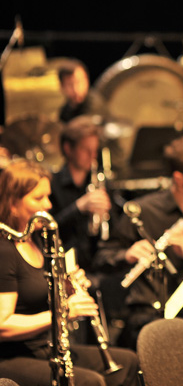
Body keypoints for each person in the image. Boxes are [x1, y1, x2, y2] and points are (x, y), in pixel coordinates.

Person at [0, 159, 139, 386]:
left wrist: (67, 287)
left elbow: (40, 293)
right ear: (13, 204)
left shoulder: (39, 239)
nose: (48, 204)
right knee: (90, 383)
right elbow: (2, 325)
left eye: (48, 196)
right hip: (11, 357)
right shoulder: (4, 250)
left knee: (126, 363)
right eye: (38, 198)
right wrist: (63, 312)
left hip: (44, 346)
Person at [93, 136, 183, 354]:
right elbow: (101, 259)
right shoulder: (142, 212)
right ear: (179, 179)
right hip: (149, 316)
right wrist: (127, 254)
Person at [49, 115, 113, 272]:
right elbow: (47, 231)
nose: (92, 156)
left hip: (96, 264)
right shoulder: (52, 184)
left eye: (95, 150)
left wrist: (107, 213)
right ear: (68, 149)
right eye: (86, 149)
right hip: (63, 265)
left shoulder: (99, 182)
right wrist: (78, 207)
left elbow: (112, 233)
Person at [57, 59, 106, 124]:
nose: (76, 89)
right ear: (62, 87)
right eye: (70, 84)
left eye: (78, 82)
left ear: (87, 81)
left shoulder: (95, 106)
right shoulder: (66, 109)